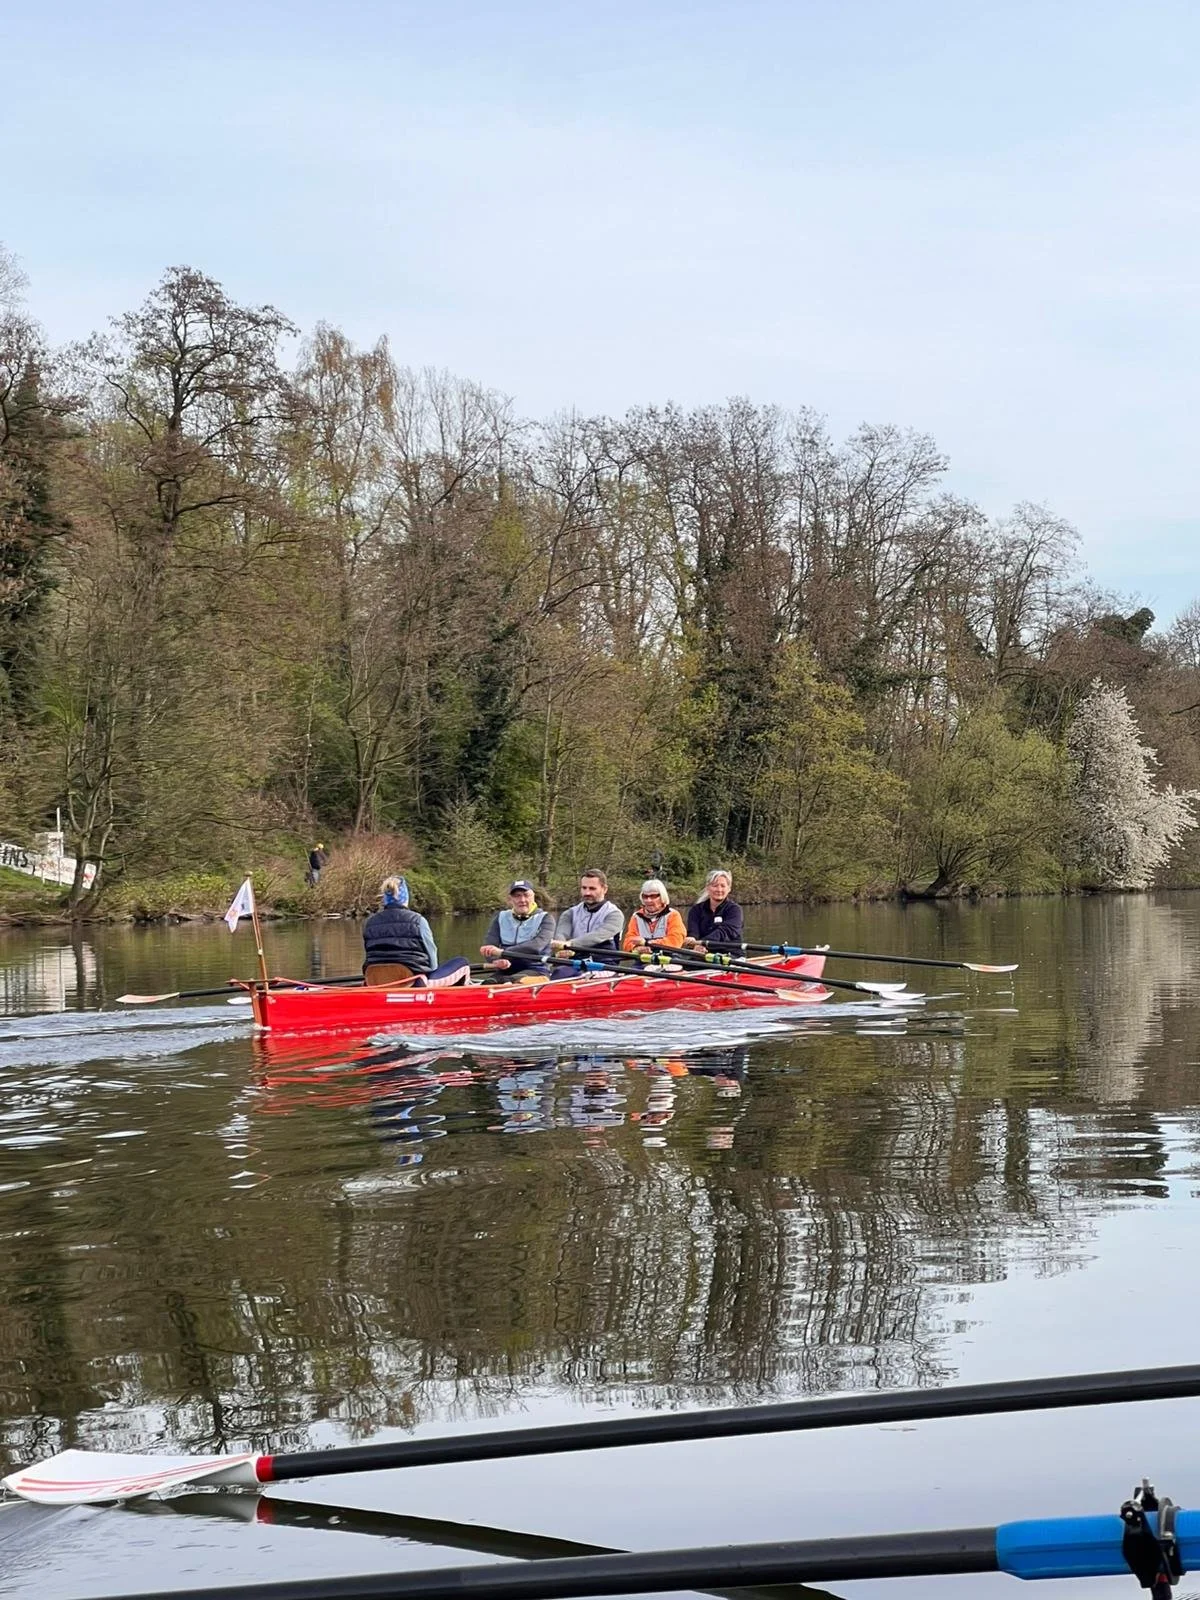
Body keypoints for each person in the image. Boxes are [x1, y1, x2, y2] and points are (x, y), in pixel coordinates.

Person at [362, 876, 470, 987]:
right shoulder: (418, 921)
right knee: (463, 963)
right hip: (414, 982)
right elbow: (432, 963)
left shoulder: (369, 923)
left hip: (376, 981)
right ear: (406, 897)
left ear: (385, 898)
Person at [480, 880, 554, 979]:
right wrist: (495, 960)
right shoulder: (501, 917)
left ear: (533, 897)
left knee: (511, 981)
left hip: (536, 969)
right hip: (507, 969)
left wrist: (502, 953)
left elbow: (536, 946)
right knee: (489, 982)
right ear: (510, 899)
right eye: (517, 896)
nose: (522, 900)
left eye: (526, 895)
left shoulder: (546, 918)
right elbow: (490, 946)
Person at [550, 869, 624, 967]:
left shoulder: (615, 914)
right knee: (560, 972)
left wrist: (570, 944)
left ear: (604, 889)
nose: (587, 893)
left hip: (604, 962)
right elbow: (561, 934)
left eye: (592, 888)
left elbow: (597, 936)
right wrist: (560, 947)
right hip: (575, 960)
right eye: (584, 888)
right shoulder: (569, 913)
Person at [685, 868, 744, 949]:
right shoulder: (696, 910)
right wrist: (692, 940)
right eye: (715, 886)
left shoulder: (734, 910)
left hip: (730, 953)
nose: (719, 890)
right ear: (707, 888)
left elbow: (725, 932)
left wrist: (703, 943)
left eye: (723, 886)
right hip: (702, 952)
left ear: (729, 889)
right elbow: (693, 932)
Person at [622, 878, 686, 952]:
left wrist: (646, 943)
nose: (648, 900)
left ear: (662, 897)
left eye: (653, 896)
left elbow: (675, 941)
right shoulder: (636, 916)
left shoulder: (673, 915)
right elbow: (628, 942)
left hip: (668, 955)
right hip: (642, 956)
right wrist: (635, 948)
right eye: (645, 896)